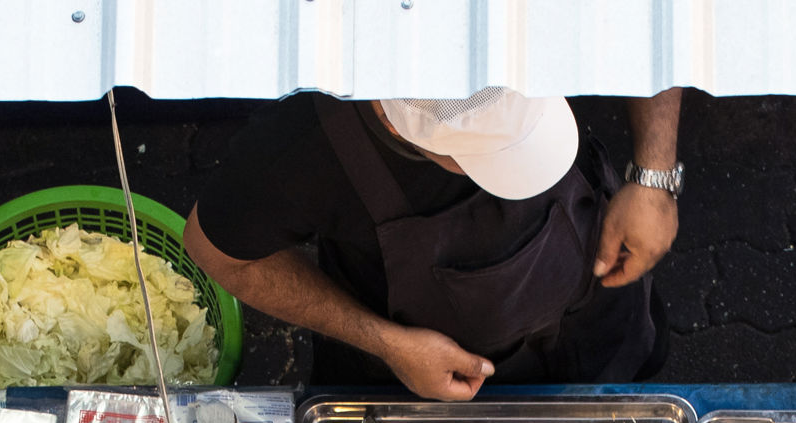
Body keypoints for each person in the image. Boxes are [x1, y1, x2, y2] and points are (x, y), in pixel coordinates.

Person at [187, 86, 685, 397]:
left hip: (598, 303)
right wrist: (386, 343)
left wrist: (655, 173)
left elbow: (650, 18)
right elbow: (215, 252)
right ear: (403, 129)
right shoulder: (304, 143)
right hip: (433, 387)